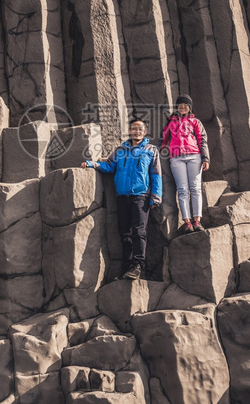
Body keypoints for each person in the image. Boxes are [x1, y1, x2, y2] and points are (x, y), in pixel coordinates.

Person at [81, 118, 162, 280]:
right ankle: (127, 268)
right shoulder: (120, 150)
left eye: (140, 129)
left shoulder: (150, 150)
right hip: (122, 196)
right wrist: (92, 164)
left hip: (141, 196)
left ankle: (138, 266)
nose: (137, 131)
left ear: (144, 132)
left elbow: (156, 174)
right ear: (130, 131)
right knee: (124, 233)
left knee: (139, 232)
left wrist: (156, 197)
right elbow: (109, 166)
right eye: (134, 128)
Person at [161, 95, 210, 233]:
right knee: (182, 190)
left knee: (195, 188)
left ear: (190, 107)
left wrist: (205, 158)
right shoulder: (170, 122)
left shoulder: (195, 121)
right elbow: (163, 139)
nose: (183, 107)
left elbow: (202, 140)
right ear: (177, 107)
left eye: (185, 105)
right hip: (176, 159)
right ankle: (187, 223)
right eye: (180, 105)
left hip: (194, 157)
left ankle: (197, 221)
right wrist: (163, 150)